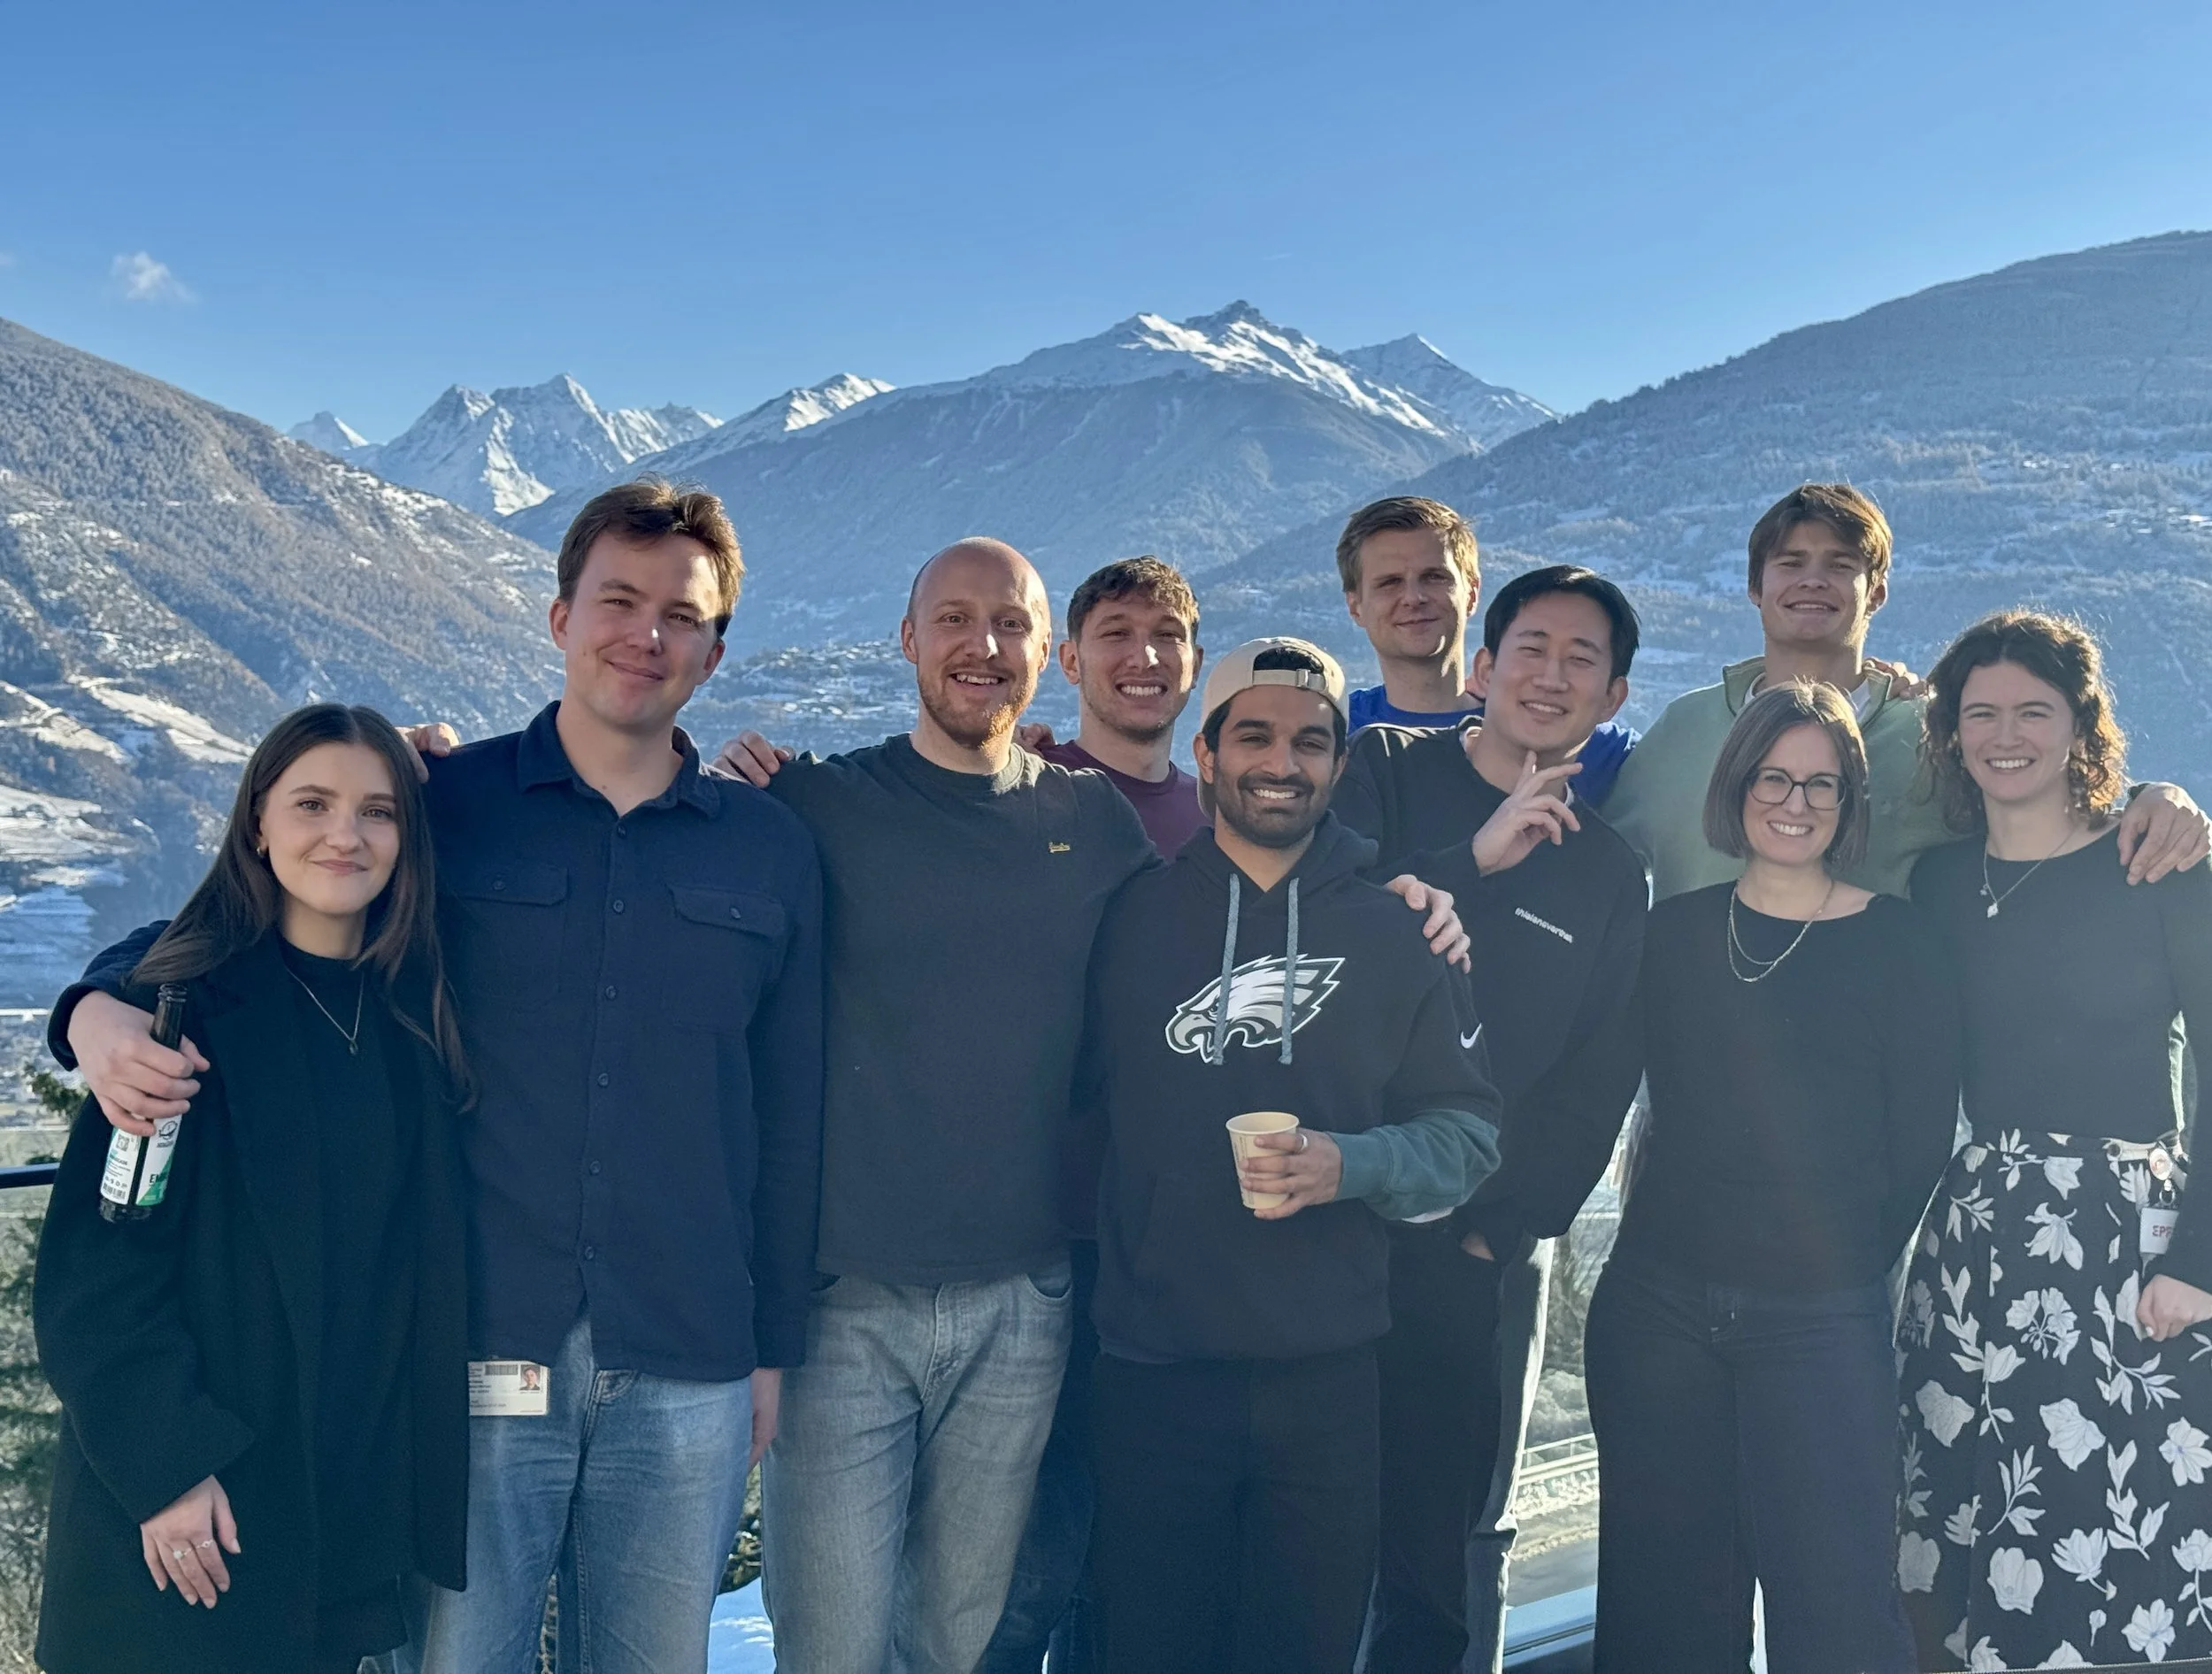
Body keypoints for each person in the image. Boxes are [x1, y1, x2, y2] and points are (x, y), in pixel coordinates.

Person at [59, 479, 826, 1674]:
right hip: (475, 1350)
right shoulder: (443, 806)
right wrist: (95, 1007)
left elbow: (790, 1112)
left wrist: (772, 1342)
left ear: (715, 650)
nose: (646, 634)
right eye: (617, 600)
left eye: (681, 614)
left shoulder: (771, 847)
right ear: (560, 617)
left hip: (691, 1354)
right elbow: (256, 915)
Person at [713, 541, 1470, 1674]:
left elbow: (1271, 895)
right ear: (909, 638)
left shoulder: (1098, 825)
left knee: (974, 1632)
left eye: (1007, 622)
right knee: (838, 1640)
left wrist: (1407, 897)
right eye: (953, 619)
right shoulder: (820, 804)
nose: (982, 644)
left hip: (1046, 1297)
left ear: (1039, 654)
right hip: (862, 1303)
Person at [1084, 638, 1503, 1674]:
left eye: (1310, 742)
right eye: (1255, 736)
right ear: (1206, 753)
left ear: (1338, 763)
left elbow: (1467, 1136)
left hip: (1328, 1378)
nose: (1282, 762)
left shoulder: (1399, 932)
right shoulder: (1126, 917)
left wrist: (1347, 1165)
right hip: (1152, 1369)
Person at [33, 703, 471, 1674]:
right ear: (258, 824)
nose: (345, 834)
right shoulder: (177, 1017)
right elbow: (95, 1282)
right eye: (312, 803)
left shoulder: (414, 1009)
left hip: (339, 1514)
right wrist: (168, 1464)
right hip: (199, 1512)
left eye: (377, 810)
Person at [1586, 681, 1961, 1674]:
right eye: (1773, 778)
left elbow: (1920, 1144)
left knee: (1838, 1612)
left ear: (1849, 802)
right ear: (1736, 785)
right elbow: (1589, 1089)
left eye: (1821, 784)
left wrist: (1832, 1264)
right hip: (1657, 1308)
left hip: (1820, 1317)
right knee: (1664, 1612)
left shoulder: (1902, 945)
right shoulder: (1671, 935)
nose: (1795, 802)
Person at [1332, 565, 1649, 1674]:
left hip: (1457, 1253)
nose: (1551, 674)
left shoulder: (1608, 874)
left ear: (1613, 698)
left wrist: (1494, 1231)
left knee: (1429, 1559)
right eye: (1532, 648)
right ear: (1481, 666)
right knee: (1297, 1531)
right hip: (1315, 1214)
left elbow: (1596, 1079)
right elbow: (1312, 929)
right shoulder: (1381, 771)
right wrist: (1470, 859)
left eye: (1581, 659)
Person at [1895, 611, 2212, 1670]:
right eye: (1979, 712)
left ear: (2080, 723)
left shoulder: (2159, 866)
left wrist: (2198, 1261)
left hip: (2131, 1244)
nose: (2005, 735)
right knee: (1972, 1518)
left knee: (2124, 1525)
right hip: (1977, 1240)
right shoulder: (1938, 883)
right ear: (1950, 733)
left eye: (2033, 710)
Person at [1602, 481, 2208, 900]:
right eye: (1790, 562)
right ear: (1755, 588)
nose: (1813, 579)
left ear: (1877, 593)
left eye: (1841, 564)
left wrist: (2157, 798)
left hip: (1890, 1042)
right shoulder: (1685, 729)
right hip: (1696, 1044)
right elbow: (1589, 857)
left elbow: (2052, 804)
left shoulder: (1931, 733)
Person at [983, 554, 1207, 1674]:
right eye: (1116, 633)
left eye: (1166, 635)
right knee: (1021, 1563)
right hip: (1035, 1237)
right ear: (1068, 659)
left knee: (1135, 1554)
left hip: (1172, 1244)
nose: (1143, 656)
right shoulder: (1014, 792)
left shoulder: (1222, 818)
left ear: (1195, 663)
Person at [1333, 496, 1636, 798]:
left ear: (1472, 593)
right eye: (1390, 582)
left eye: (1434, 577)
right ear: (1355, 606)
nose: (1414, 598)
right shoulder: (1334, 735)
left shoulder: (1569, 733)